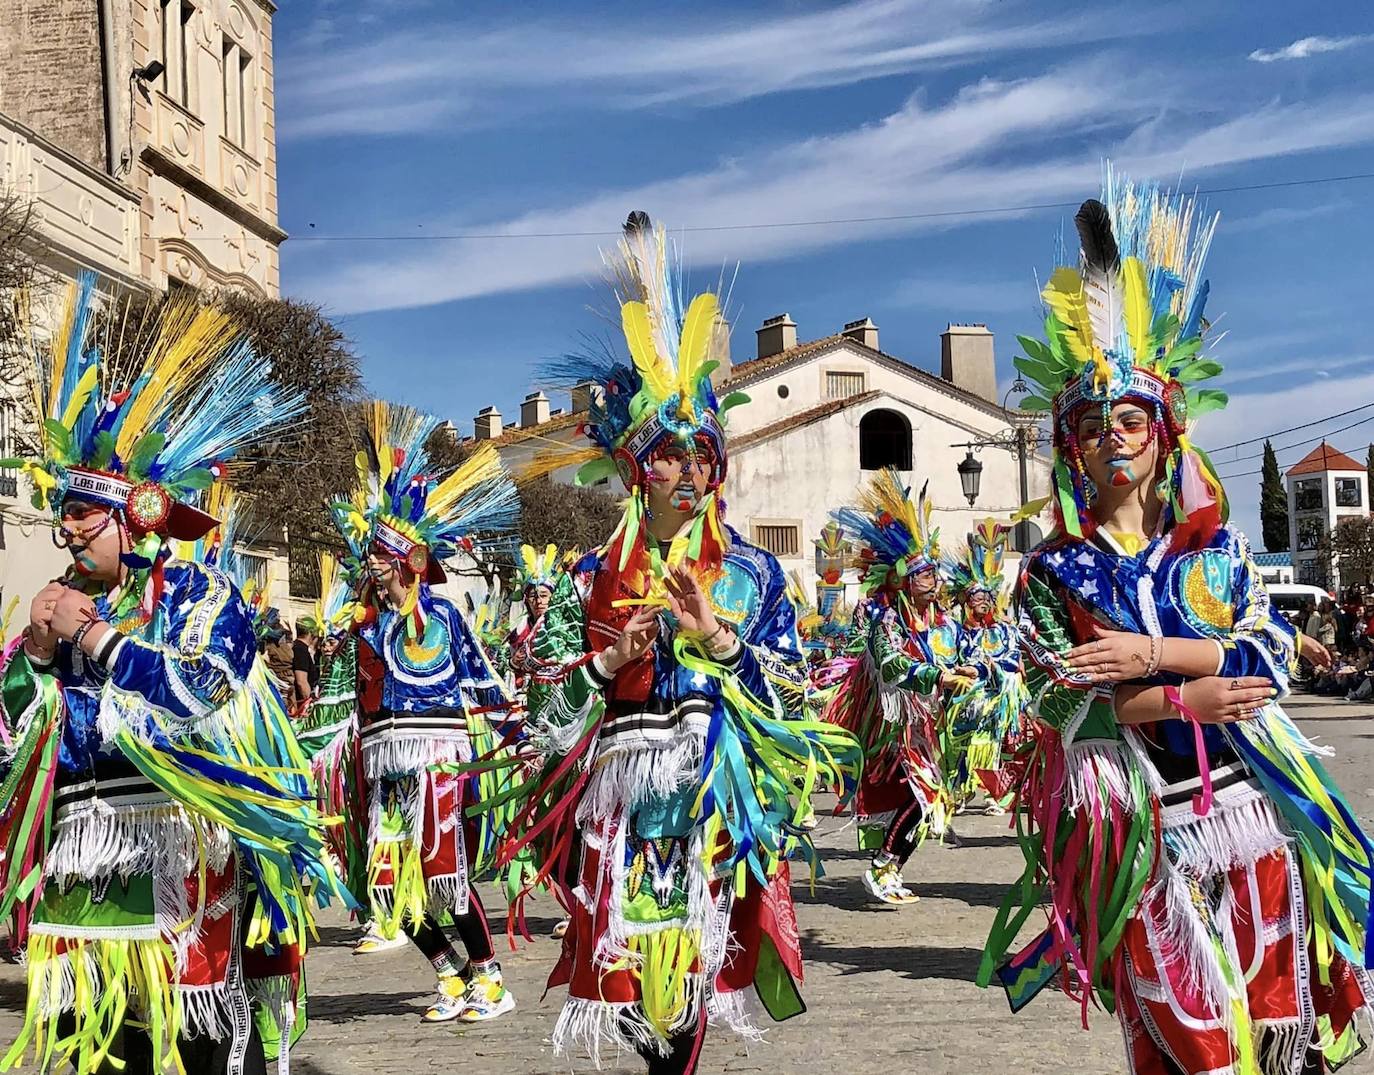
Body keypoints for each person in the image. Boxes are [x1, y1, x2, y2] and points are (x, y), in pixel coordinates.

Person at [978, 174, 1374, 1072]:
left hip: (1257, 816)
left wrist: (1154, 659)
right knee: (1195, 1050)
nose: (1112, 438)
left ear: (1164, 434)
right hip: (1147, 839)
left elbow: (1272, 656)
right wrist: (1172, 701)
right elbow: (1045, 703)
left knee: (1284, 1039)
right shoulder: (1054, 571)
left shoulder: (1215, 547)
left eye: (1130, 419)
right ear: (1068, 446)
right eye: (1090, 425)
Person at [483, 212, 860, 1074]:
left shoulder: (755, 576)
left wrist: (721, 641)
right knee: (631, 1004)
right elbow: (541, 711)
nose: (689, 469)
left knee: (688, 999)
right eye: (669, 453)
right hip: (621, 820)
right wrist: (610, 663)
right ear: (632, 466)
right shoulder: (588, 577)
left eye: (704, 452)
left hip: (707, 816)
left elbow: (797, 700)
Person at [0, 275, 348, 1073]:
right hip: (81, 861)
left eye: (82, 513)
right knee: (104, 1049)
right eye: (62, 511)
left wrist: (94, 638)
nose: (64, 527)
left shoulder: (200, 593)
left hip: (179, 851)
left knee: (198, 1046)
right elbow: (10, 739)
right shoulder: (57, 607)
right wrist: (41, 660)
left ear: (133, 514)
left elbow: (202, 687)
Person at [329, 402, 521, 1023]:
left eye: (380, 556)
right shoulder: (368, 629)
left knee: (445, 876)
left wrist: (521, 737)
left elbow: (483, 683)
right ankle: (454, 973)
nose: (370, 565)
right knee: (386, 886)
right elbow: (353, 703)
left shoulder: (444, 616)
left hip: (439, 757)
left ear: (407, 560)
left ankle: (491, 979)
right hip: (385, 764)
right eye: (369, 556)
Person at [824, 472, 975, 905]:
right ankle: (882, 865)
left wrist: (968, 671)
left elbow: (959, 655)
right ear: (903, 581)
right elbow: (893, 666)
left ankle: (888, 867)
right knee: (924, 797)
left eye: (934, 574)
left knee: (927, 804)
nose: (934, 581)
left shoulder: (941, 624)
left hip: (926, 727)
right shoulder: (885, 623)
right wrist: (937, 676)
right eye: (925, 575)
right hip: (893, 732)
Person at [941, 519, 1027, 816]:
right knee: (959, 746)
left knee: (994, 746)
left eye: (985, 598)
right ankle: (960, 793)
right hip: (964, 698)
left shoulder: (1005, 630)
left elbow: (1013, 659)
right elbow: (948, 657)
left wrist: (983, 669)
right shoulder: (957, 631)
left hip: (997, 698)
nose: (981, 603)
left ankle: (998, 794)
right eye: (975, 598)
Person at [292, 616, 321, 710]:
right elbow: (301, 682)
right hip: (300, 705)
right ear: (311, 633)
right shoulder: (300, 650)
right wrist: (308, 705)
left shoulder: (297, 647)